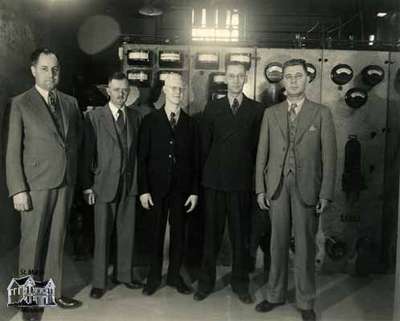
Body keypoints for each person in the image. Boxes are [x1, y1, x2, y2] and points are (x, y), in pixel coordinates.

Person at [254, 58, 337, 321]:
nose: (292, 81)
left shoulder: (321, 113)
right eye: (288, 77)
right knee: (276, 244)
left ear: (307, 79)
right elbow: (261, 155)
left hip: (307, 188)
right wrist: (260, 189)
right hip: (276, 187)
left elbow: (330, 158)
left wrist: (325, 193)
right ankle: (274, 295)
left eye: (298, 76)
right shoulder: (271, 113)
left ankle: (306, 301)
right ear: (283, 82)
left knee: (305, 246)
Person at [6, 48, 82, 320]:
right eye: (45, 68)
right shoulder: (21, 103)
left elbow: (75, 146)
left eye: (55, 69)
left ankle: (54, 293)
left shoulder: (70, 103)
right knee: (32, 244)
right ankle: (28, 303)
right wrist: (18, 189)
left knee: (56, 241)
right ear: (33, 70)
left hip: (64, 182)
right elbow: (12, 151)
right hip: (34, 185)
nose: (51, 74)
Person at [194, 61, 264, 304]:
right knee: (210, 237)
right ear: (225, 79)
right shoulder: (212, 108)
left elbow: (258, 151)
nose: (235, 80)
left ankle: (240, 284)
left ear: (245, 79)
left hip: (241, 185)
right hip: (214, 183)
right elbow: (204, 147)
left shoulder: (257, 110)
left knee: (240, 238)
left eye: (239, 76)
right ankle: (205, 284)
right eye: (231, 76)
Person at [81, 72, 143, 299]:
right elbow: (87, 152)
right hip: (103, 185)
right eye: (116, 90)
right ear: (108, 91)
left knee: (127, 234)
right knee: (102, 235)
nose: (121, 94)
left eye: (125, 90)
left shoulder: (136, 117)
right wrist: (87, 185)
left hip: (129, 185)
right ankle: (99, 282)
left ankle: (124, 275)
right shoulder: (94, 117)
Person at [138, 73, 199, 296]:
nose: (177, 92)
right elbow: (142, 159)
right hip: (155, 189)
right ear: (164, 90)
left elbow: (195, 161)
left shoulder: (191, 124)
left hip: (181, 191)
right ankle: (153, 278)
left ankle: (174, 276)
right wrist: (143, 189)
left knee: (179, 235)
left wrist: (194, 192)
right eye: (173, 88)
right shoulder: (150, 121)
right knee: (155, 234)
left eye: (180, 89)